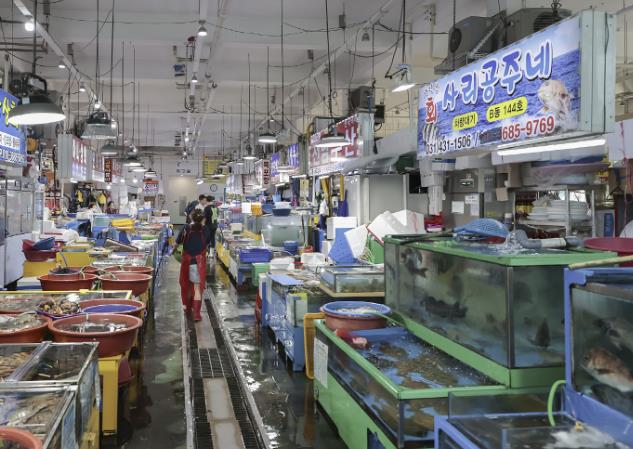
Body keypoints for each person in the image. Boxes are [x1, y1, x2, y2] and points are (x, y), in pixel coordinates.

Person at [176, 209, 211, 321]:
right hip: (198, 263)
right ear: (203, 219)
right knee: (196, 288)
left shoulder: (186, 228)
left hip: (186, 261)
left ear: (190, 217)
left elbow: (178, 242)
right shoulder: (205, 229)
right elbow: (207, 243)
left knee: (186, 285)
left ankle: (187, 308)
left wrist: (173, 251)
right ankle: (196, 314)